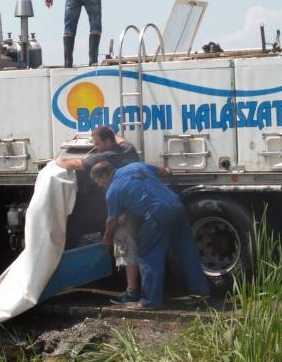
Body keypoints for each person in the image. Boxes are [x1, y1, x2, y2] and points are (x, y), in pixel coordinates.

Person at [90, 161, 210, 310]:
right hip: (176, 206)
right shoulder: (135, 166)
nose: (100, 185)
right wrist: (167, 168)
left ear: (103, 176)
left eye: (98, 182)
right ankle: (200, 292)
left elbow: (112, 220)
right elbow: (163, 171)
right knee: (186, 250)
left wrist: (107, 238)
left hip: (157, 214)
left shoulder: (112, 191)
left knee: (148, 255)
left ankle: (150, 301)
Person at [55, 126, 142, 304]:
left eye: (97, 143)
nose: (95, 147)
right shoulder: (128, 149)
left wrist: (57, 161)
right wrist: (108, 133)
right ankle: (141, 288)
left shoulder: (104, 158)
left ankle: (132, 292)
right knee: (144, 250)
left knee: (126, 249)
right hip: (139, 207)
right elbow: (119, 138)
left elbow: (74, 164)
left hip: (124, 213)